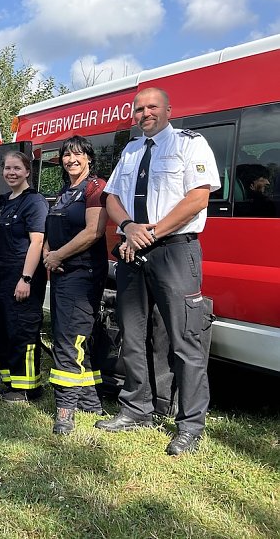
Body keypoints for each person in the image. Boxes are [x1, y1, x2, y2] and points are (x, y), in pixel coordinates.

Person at [97, 87, 219, 456]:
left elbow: (198, 197)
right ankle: (138, 409)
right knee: (132, 336)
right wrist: (130, 227)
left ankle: (190, 425)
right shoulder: (131, 150)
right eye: (139, 108)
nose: (145, 113)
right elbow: (111, 198)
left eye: (152, 107)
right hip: (134, 252)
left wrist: (150, 232)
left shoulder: (190, 144)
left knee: (185, 341)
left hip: (175, 251)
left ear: (168, 109)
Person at [42, 136, 109, 434]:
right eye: (67, 155)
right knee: (81, 337)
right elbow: (50, 228)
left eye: (78, 154)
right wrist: (47, 255)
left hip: (82, 273)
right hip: (60, 272)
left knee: (69, 340)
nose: (71, 159)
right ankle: (90, 401)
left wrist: (57, 255)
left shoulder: (95, 187)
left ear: (89, 158)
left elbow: (93, 231)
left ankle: (65, 409)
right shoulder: (64, 192)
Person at [0, 151, 48, 402]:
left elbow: (37, 242)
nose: (11, 173)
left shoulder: (34, 202)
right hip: (2, 275)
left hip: (23, 274)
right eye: (7, 168)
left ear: (27, 171)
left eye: (17, 168)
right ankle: (11, 381)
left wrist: (26, 279)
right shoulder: (5, 200)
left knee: (22, 330)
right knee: (2, 329)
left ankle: (27, 388)